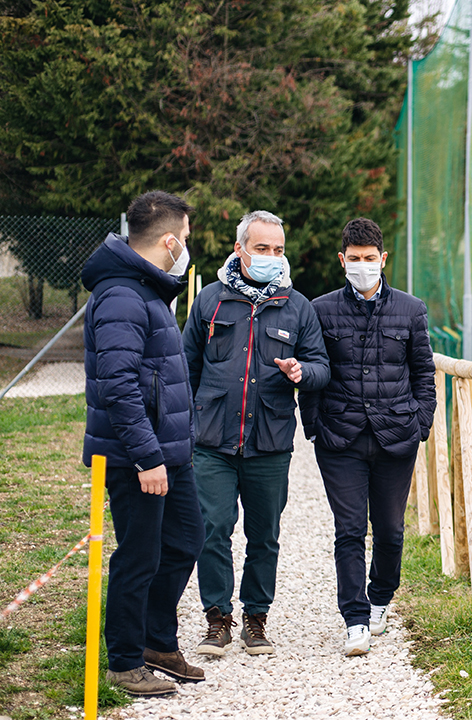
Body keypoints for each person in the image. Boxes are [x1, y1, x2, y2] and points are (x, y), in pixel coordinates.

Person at [183, 210, 329, 657]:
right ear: (240, 249)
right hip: (212, 440)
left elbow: (322, 368)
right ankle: (216, 620)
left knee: (264, 534)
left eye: (278, 250)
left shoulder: (297, 306)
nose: (271, 257)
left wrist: (302, 371)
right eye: (262, 248)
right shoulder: (210, 301)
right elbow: (186, 367)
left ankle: (256, 619)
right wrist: (186, 423)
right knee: (213, 529)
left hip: (269, 441)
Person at [82, 191, 206, 696]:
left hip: (168, 454)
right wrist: (147, 456)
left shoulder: (147, 290)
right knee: (139, 556)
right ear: (170, 241)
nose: (188, 249)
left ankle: (157, 641)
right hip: (139, 457)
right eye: (188, 240)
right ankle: (125, 660)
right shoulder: (121, 296)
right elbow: (119, 386)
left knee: (185, 539)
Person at [300, 218, 435, 657]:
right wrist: (314, 426)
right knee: (349, 529)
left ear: (383, 259)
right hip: (340, 439)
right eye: (354, 259)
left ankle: (380, 598)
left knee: (392, 531)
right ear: (343, 261)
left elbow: (423, 373)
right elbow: (314, 371)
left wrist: (421, 424)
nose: (362, 266)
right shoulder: (320, 311)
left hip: (396, 436)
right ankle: (355, 619)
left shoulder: (411, 310)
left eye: (369, 259)